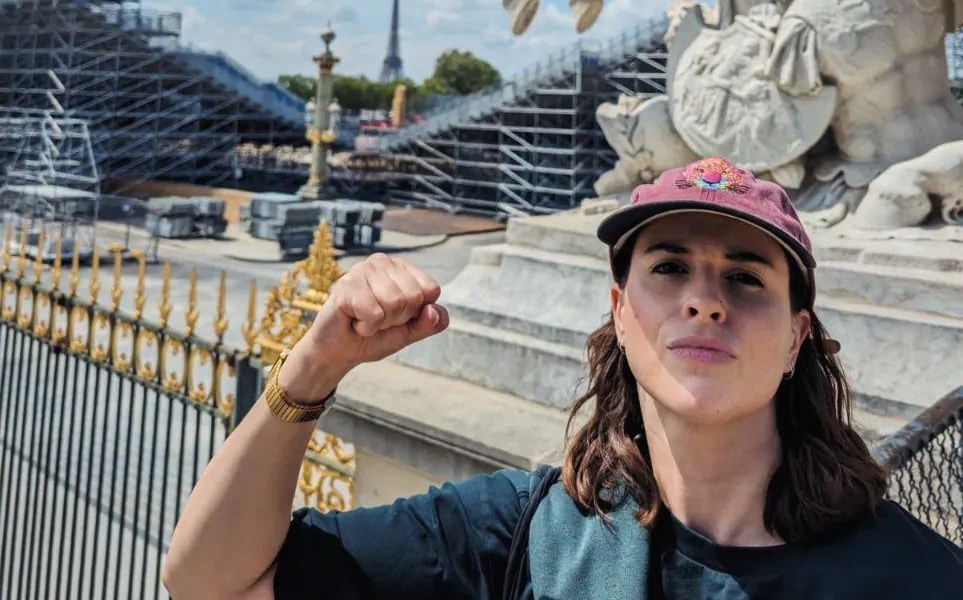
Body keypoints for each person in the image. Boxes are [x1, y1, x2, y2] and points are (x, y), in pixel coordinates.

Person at [162, 157, 963, 598]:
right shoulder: (524, 533)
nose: (703, 302)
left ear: (796, 340)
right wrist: (314, 366)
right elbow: (209, 583)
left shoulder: (918, 579)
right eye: (670, 267)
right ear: (620, 311)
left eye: (745, 277)